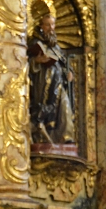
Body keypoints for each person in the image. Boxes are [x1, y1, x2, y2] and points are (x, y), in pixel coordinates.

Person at [27, 14, 75, 146]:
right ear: (41, 27)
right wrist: (36, 61)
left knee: (65, 107)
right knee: (44, 110)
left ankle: (66, 137)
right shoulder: (34, 43)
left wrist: (69, 73)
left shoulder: (56, 47)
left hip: (58, 84)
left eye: (53, 25)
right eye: (47, 25)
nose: (51, 28)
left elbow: (64, 64)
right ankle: (42, 137)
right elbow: (22, 64)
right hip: (41, 84)